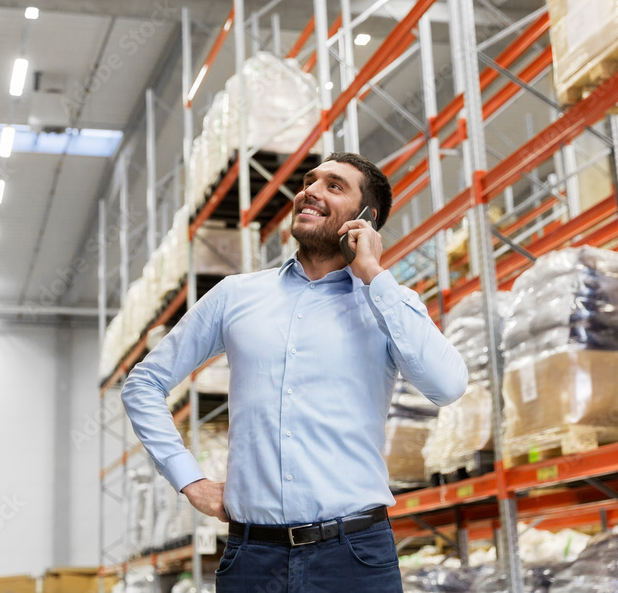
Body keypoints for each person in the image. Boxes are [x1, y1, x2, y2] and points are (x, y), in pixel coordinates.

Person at [122, 152, 468, 592]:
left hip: (355, 558)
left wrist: (374, 276)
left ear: (367, 218)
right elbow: (143, 384)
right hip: (252, 559)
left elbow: (447, 386)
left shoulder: (388, 303)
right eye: (309, 181)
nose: (311, 191)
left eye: (334, 186)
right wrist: (189, 479)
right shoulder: (236, 296)